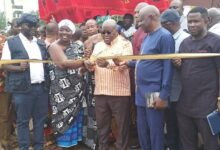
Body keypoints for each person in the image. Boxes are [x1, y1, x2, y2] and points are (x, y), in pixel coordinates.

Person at [174, 7, 220, 150]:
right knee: (187, 143)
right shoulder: (185, 43)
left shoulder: (215, 42)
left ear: (207, 21)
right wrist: (178, 65)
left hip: (207, 104)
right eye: (189, 22)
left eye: (196, 21)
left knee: (210, 143)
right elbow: (184, 71)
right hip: (185, 103)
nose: (192, 25)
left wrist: (218, 99)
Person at [1, 13, 49, 150]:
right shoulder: (11, 42)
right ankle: (24, 147)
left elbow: (46, 63)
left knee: (40, 120)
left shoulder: (40, 43)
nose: (32, 28)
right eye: (29, 25)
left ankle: (39, 147)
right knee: (22, 121)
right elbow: (4, 65)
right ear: (21, 26)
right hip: (22, 90)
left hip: (41, 88)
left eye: (34, 26)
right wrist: (17, 67)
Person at [85, 19, 133, 150]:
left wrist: (108, 64)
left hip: (119, 92)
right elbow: (92, 65)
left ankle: (121, 147)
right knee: (102, 125)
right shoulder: (99, 46)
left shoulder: (125, 44)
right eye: (103, 32)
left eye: (109, 32)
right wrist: (89, 65)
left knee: (121, 125)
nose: (105, 35)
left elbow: (125, 65)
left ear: (116, 31)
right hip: (100, 91)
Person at [131, 5, 175, 150]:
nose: (139, 24)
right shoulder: (147, 36)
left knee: (155, 131)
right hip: (140, 92)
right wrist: (126, 62)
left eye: (141, 21)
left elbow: (168, 67)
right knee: (142, 130)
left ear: (151, 17)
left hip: (154, 92)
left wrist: (163, 95)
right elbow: (145, 61)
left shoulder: (164, 36)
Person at [48, 19, 86, 149]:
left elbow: (83, 66)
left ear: (72, 32)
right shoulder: (54, 46)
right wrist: (84, 62)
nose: (64, 32)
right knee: (62, 115)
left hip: (77, 87)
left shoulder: (77, 46)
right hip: (60, 90)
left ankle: (74, 140)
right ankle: (63, 143)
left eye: (67, 30)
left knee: (76, 113)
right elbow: (63, 63)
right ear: (58, 31)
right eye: (62, 29)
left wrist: (84, 67)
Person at [161, 9, 189, 150]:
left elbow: (189, 67)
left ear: (170, 24)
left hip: (180, 92)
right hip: (167, 90)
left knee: (180, 125)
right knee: (170, 123)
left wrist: (180, 64)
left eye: (162, 25)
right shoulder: (167, 37)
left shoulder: (185, 39)